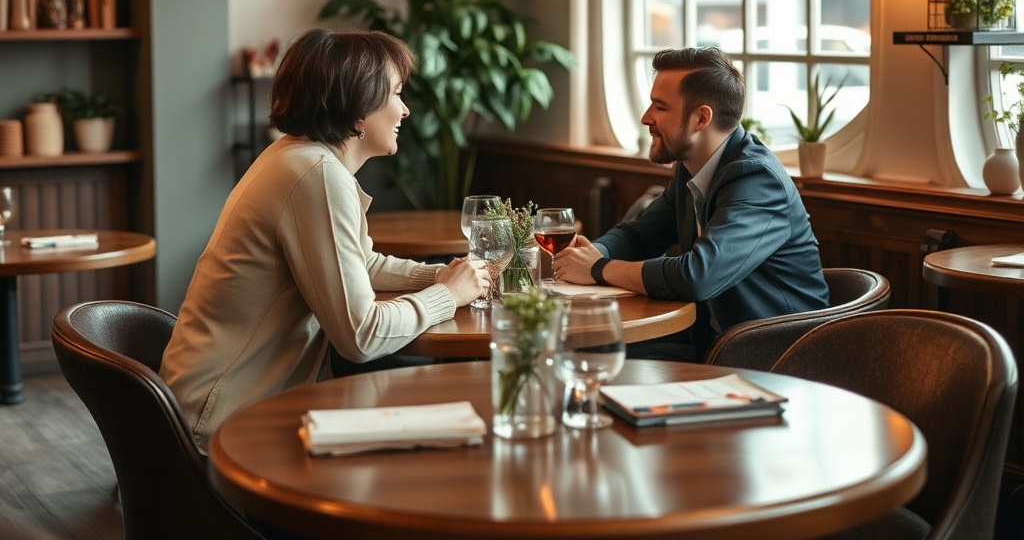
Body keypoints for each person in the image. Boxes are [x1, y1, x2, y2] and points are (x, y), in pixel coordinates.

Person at [159, 28, 488, 453]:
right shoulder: (316, 175)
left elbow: (360, 265)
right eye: (395, 94)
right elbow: (361, 336)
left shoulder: (296, 157)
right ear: (357, 109)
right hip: (221, 424)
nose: (404, 110)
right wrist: (446, 294)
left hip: (211, 407)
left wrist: (440, 275)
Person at [554, 46, 828, 361]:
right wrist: (589, 256)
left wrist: (599, 269)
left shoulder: (756, 179)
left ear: (701, 118)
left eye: (660, 107)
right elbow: (638, 235)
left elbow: (697, 276)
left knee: (590, 356)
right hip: (713, 344)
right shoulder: (692, 166)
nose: (647, 118)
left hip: (775, 357)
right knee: (584, 350)